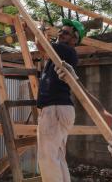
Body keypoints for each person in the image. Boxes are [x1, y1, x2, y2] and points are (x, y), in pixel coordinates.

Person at [35, 18, 86, 182]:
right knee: (57, 157)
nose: (61, 34)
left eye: (66, 33)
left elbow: (40, 44)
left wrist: (38, 28)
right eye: (60, 31)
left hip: (55, 109)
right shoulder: (58, 55)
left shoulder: (66, 50)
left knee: (47, 158)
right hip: (60, 109)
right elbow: (43, 47)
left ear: (74, 39)